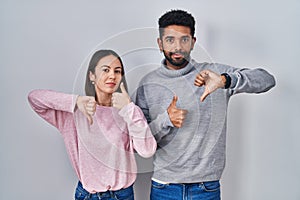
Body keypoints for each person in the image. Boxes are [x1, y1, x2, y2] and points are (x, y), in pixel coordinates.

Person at [135, 10, 276, 200]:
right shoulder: (148, 84)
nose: (177, 47)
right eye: (170, 40)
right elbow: (140, 141)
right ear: (160, 44)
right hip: (164, 187)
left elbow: (267, 80)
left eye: (184, 40)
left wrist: (225, 81)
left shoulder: (215, 73)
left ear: (193, 42)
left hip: (206, 188)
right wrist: (165, 120)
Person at [28, 49, 157, 200]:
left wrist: (129, 109)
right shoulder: (73, 113)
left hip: (123, 195)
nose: (112, 75)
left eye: (117, 71)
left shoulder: (128, 112)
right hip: (89, 196)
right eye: (105, 70)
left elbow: (147, 150)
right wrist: (75, 101)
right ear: (92, 76)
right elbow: (34, 98)